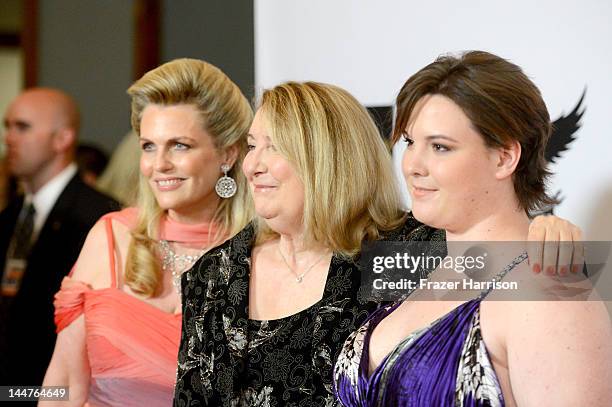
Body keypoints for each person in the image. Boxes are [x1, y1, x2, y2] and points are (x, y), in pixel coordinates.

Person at [174, 81, 585, 406]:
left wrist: (546, 232)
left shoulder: (401, 250)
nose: (252, 165)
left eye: (274, 147)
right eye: (251, 145)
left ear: (327, 158)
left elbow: (496, 249)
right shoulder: (216, 275)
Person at [333, 51, 612, 406]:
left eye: (440, 147)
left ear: (504, 157)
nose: (412, 165)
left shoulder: (551, 291)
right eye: (409, 142)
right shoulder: (414, 262)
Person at [41, 58, 253, 406]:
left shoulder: (260, 252)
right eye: (149, 146)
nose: (159, 165)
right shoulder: (110, 237)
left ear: (227, 153)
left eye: (180, 145)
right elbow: (62, 383)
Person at [0, 88, 119, 386]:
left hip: (61, 388)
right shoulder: (12, 213)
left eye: (22, 127)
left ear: (62, 139)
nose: (9, 138)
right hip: (11, 383)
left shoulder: (100, 216)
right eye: (7, 126)